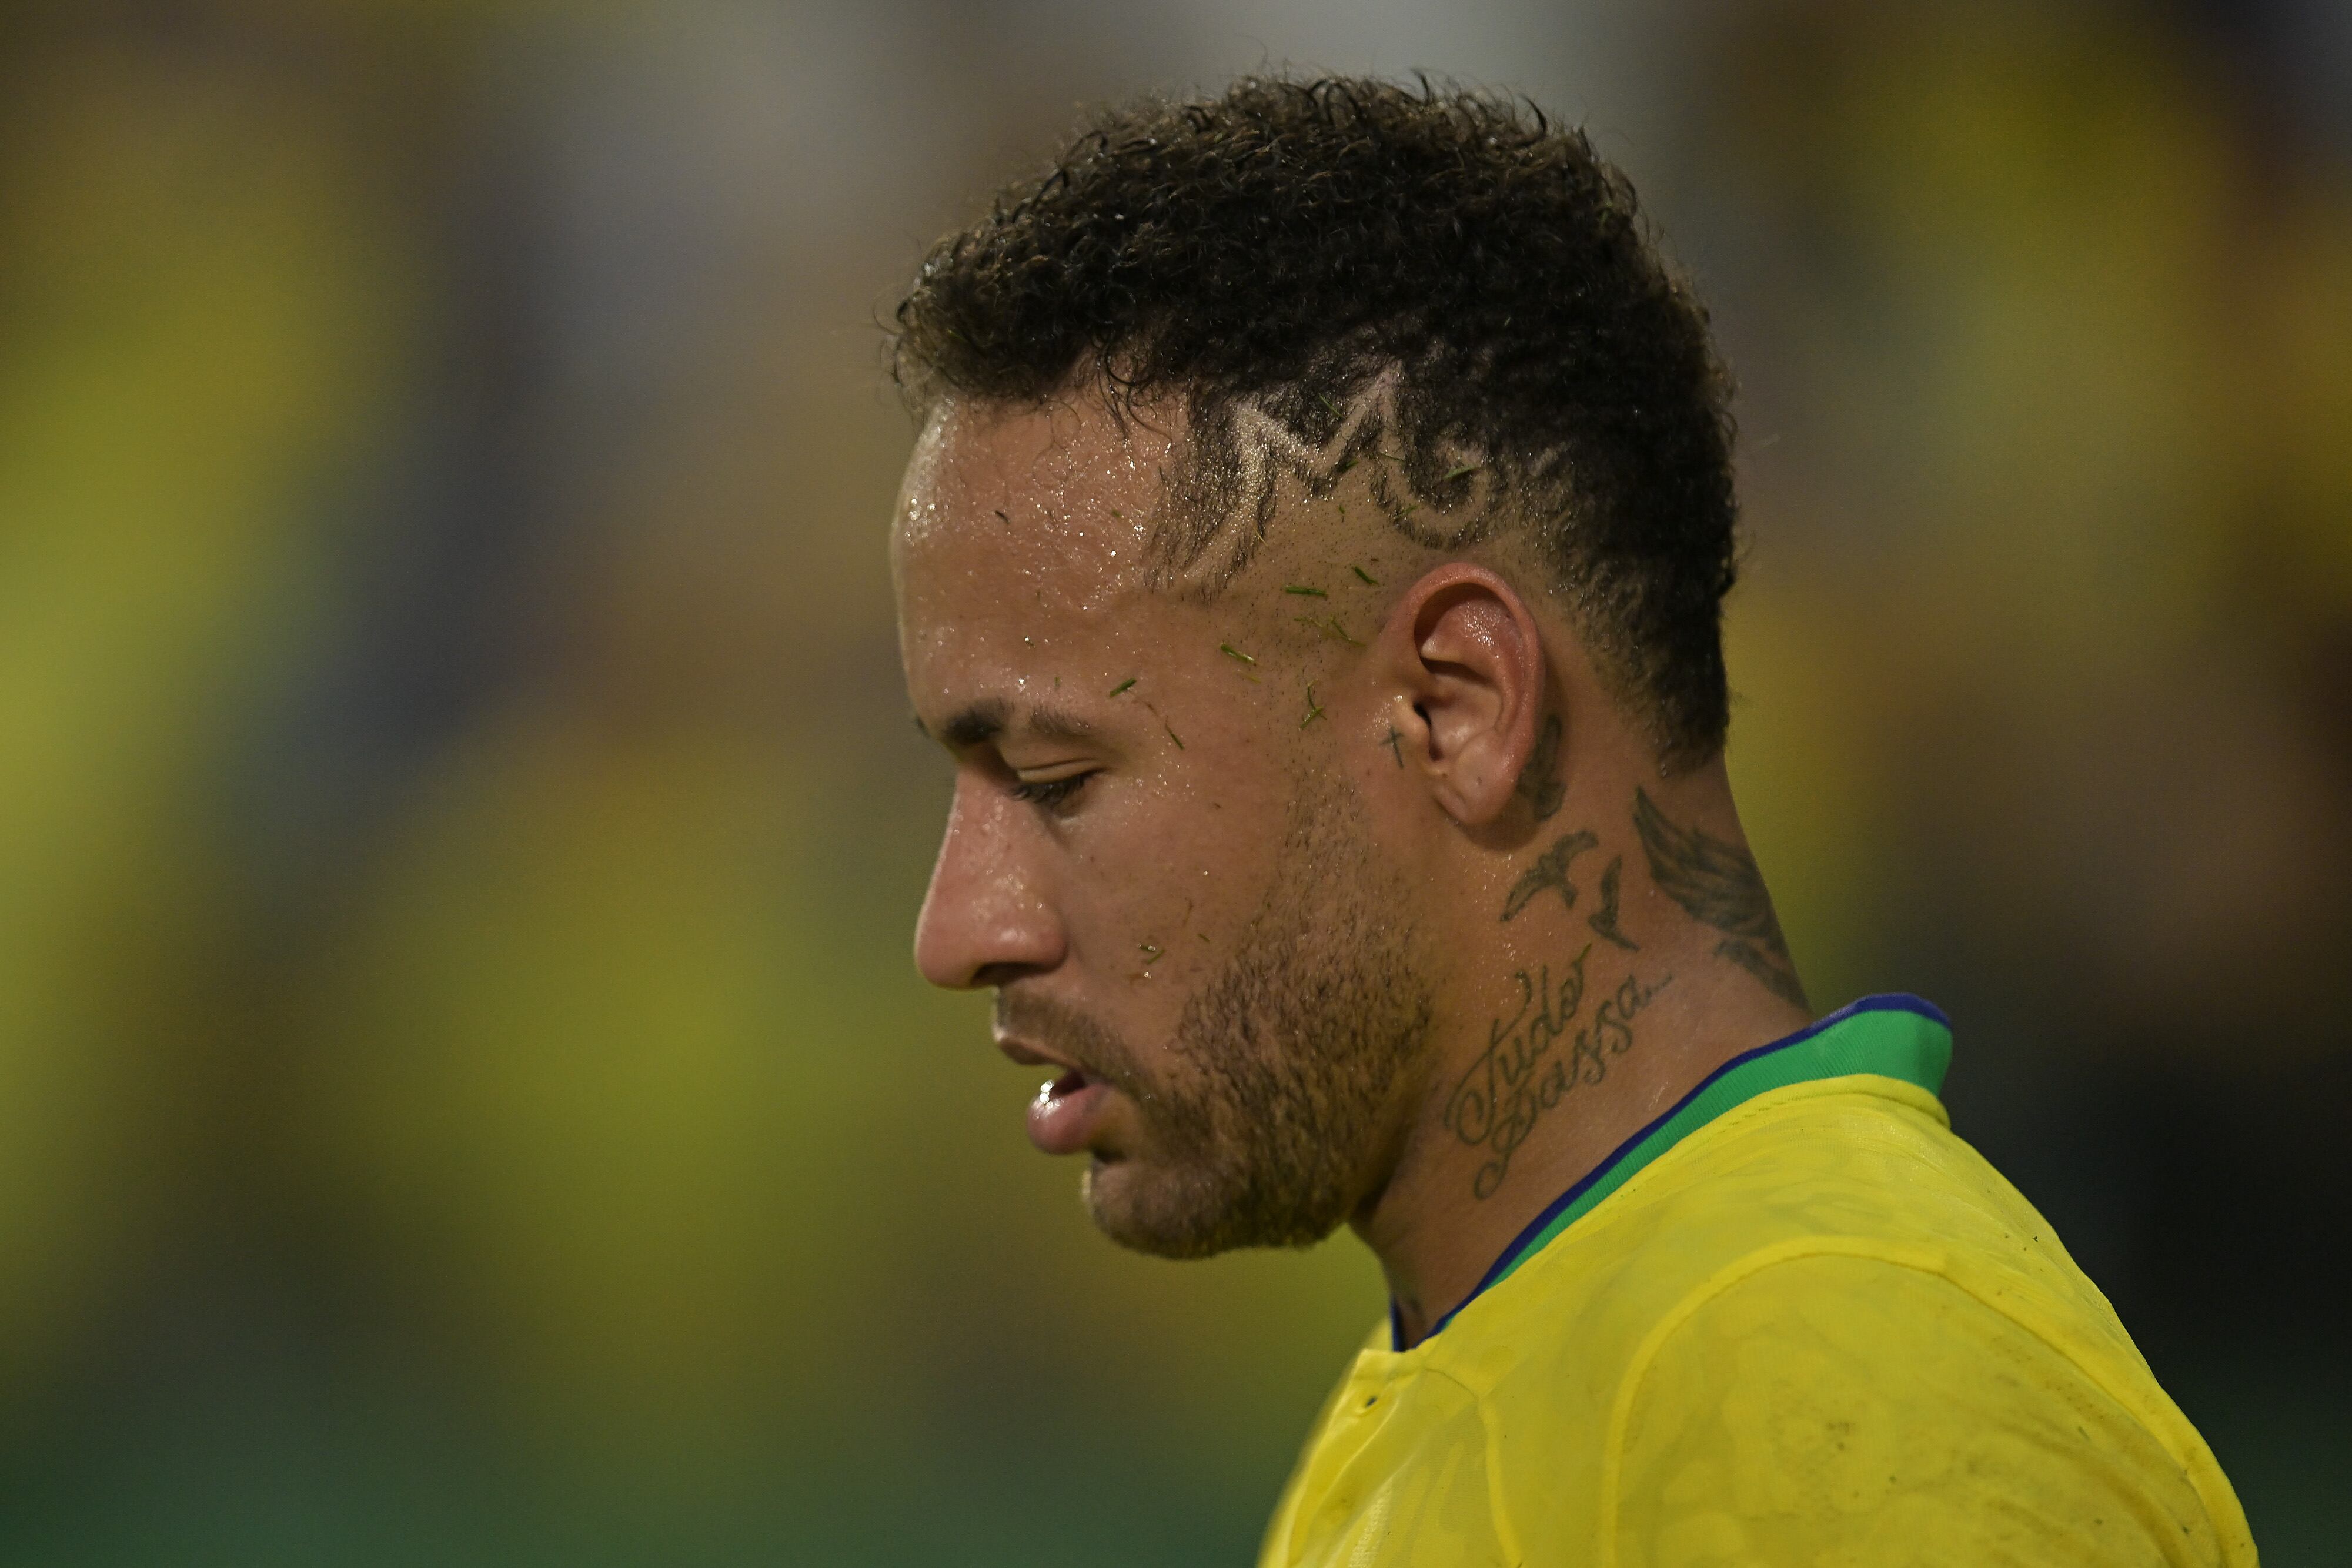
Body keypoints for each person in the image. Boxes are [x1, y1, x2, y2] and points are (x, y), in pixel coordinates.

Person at [885, 76, 2257, 1566]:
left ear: (1456, 705)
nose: (959, 928)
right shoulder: (1478, 1403)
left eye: (1054, 778)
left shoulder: (1833, 1386)